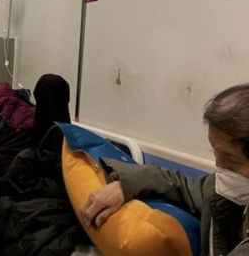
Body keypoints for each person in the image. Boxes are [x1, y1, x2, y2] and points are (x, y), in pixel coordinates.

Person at [80, 83, 249, 256]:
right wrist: (125, 184)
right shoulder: (225, 188)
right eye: (215, 153)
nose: (218, 165)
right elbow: (181, 185)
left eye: (229, 157)